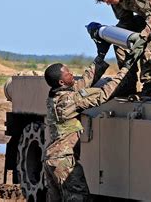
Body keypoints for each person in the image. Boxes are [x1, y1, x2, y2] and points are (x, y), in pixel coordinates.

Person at [43, 39, 132, 201]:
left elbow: (83, 83)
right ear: (62, 82)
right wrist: (126, 69)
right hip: (64, 162)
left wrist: (101, 56)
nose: (72, 74)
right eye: (68, 73)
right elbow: (103, 94)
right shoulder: (70, 101)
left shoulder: (56, 97)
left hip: (52, 160)